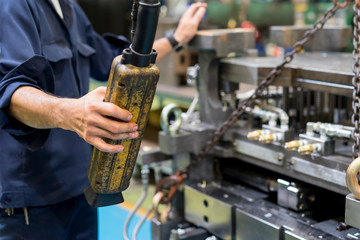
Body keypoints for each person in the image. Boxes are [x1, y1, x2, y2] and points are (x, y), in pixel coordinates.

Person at [0, 0, 207, 239]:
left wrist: (176, 39)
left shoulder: (68, 8)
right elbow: (9, 92)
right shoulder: (12, 6)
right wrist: (71, 113)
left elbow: (114, 59)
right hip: (32, 201)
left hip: (82, 189)